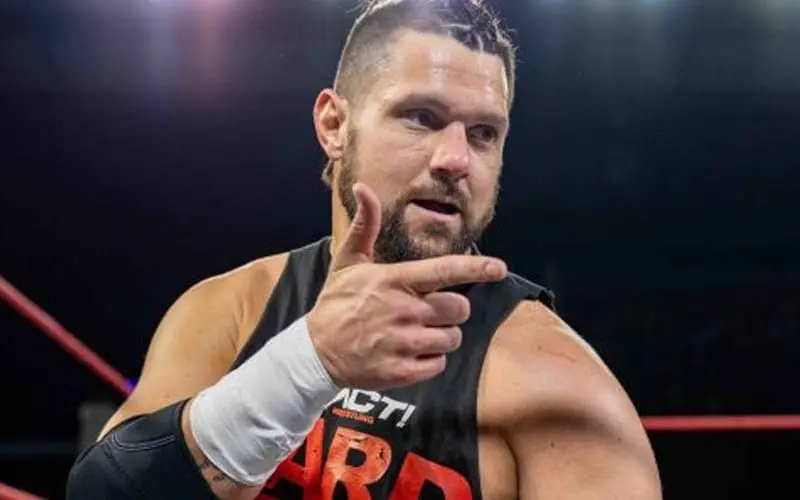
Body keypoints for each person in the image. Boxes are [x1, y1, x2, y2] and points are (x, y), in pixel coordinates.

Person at [66, 0, 662, 498]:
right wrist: (310, 361)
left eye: (484, 133)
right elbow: (101, 493)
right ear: (334, 126)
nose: (456, 159)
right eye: (421, 117)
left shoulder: (557, 386)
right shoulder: (232, 311)